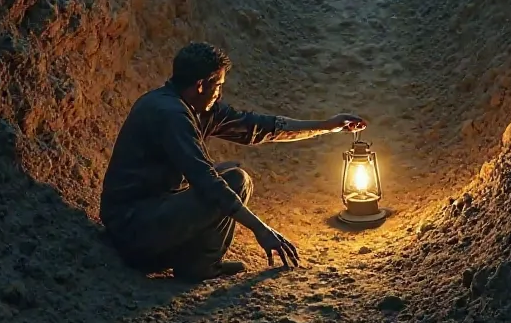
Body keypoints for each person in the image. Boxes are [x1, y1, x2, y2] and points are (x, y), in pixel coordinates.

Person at [100, 41, 366, 281]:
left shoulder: (194, 107)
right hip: (133, 228)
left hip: (151, 214)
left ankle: (190, 260)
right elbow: (206, 182)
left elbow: (257, 127)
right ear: (200, 85)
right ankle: (200, 266)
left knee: (230, 171)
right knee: (234, 181)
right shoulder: (170, 115)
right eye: (218, 86)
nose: (220, 94)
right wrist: (260, 229)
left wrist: (326, 126)